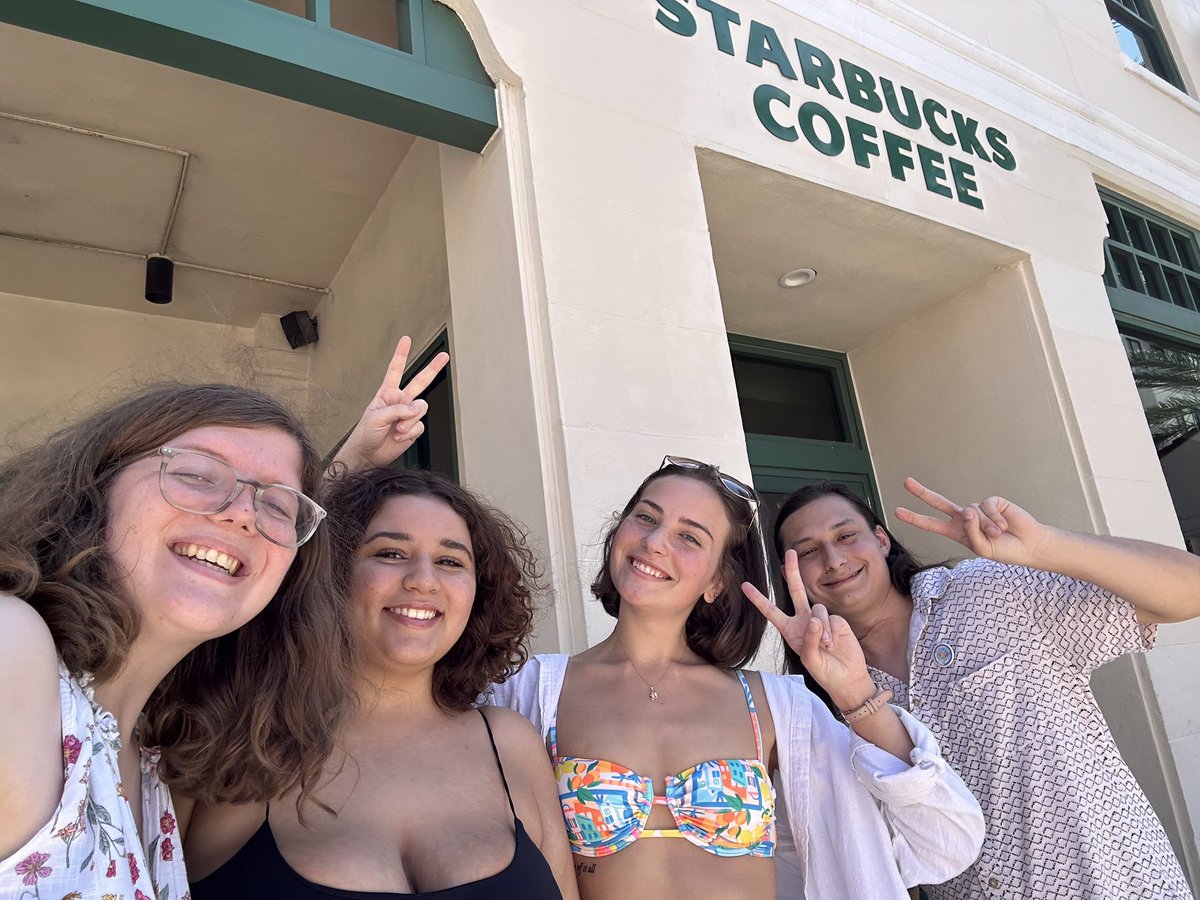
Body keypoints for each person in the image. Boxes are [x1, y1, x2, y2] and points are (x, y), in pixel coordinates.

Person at [0, 336, 442, 899]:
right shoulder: (15, 649)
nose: (242, 515)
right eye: (197, 475)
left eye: (276, 505)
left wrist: (351, 461)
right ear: (95, 486)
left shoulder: (150, 762)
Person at [487, 457, 985, 900]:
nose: (655, 543)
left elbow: (944, 840)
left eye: (689, 537)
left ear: (717, 582)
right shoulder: (532, 692)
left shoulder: (775, 706)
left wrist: (855, 693)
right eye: (646, 518)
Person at [772, 477, 1200, 899]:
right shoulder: (825, 705)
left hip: (1120, 885)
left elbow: (1190, 590)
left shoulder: (989, 591)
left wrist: (1044, 546)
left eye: (846, 536)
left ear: (882, 540)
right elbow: (891, 855)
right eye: (808, 551)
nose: (833, 560)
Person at [185, 468, 578, 899]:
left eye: (450, 561)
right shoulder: (236, 738)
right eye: (391, 553)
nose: (423, 580)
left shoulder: (511, 743)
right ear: (331, 572)